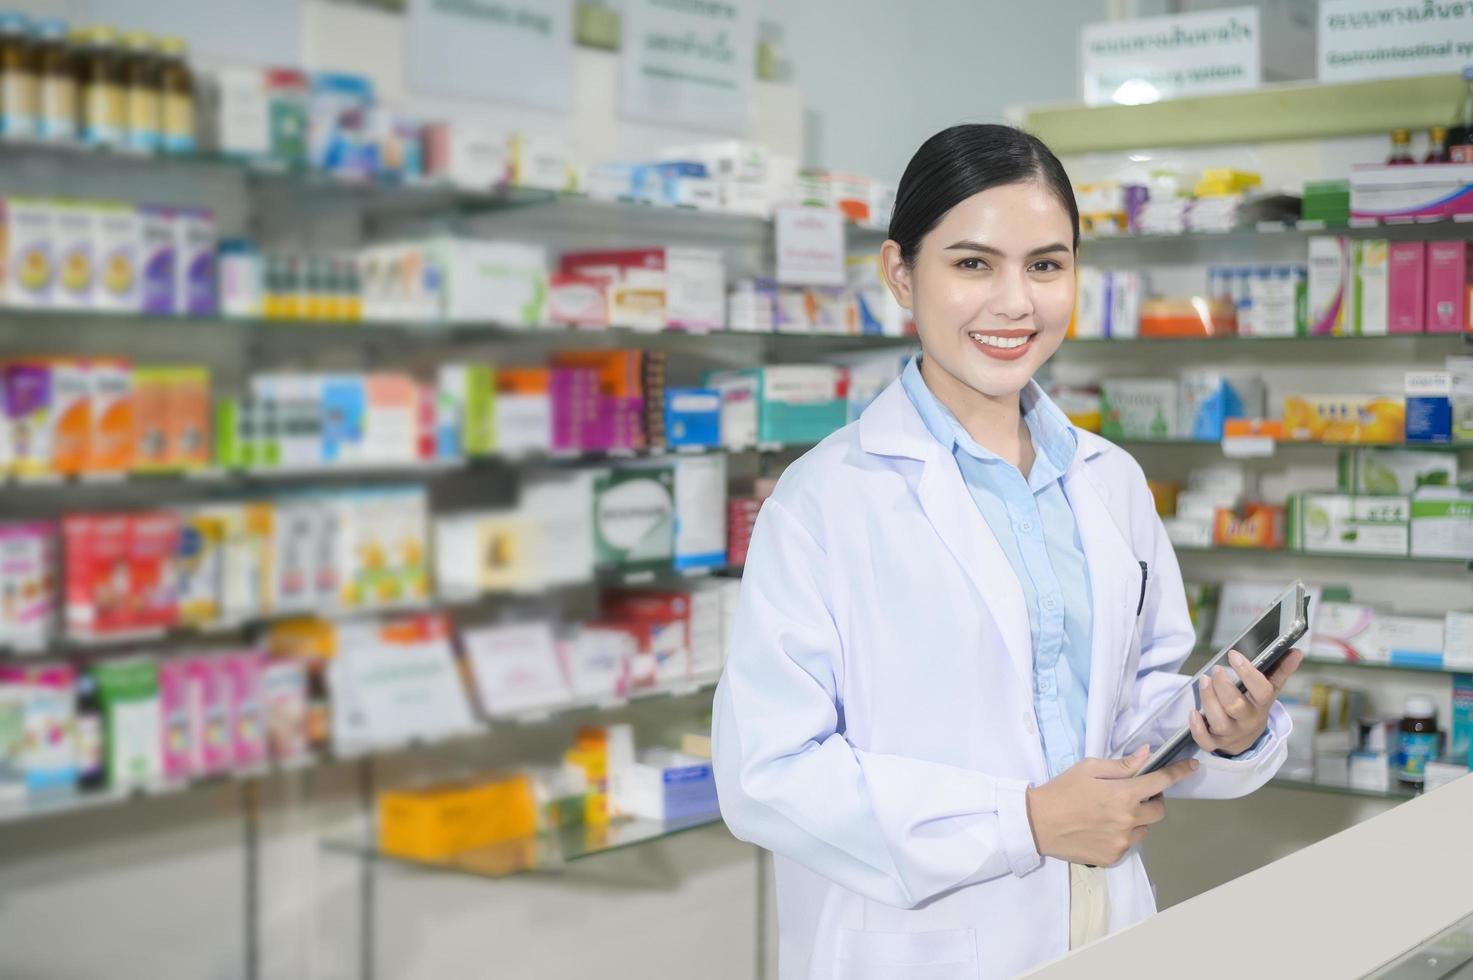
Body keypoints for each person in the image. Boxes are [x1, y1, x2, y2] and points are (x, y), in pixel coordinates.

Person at [710, 124, 1303, 980]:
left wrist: (1218, 726)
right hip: (919, 944)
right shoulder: (824, 501)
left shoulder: (1110, 481)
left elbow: (1130, 701)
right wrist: (1020, 821)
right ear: (900, 273)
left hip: (1103, 913)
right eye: (972, 264)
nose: (1015, 303)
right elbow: (767, 776)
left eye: (1046, 265)